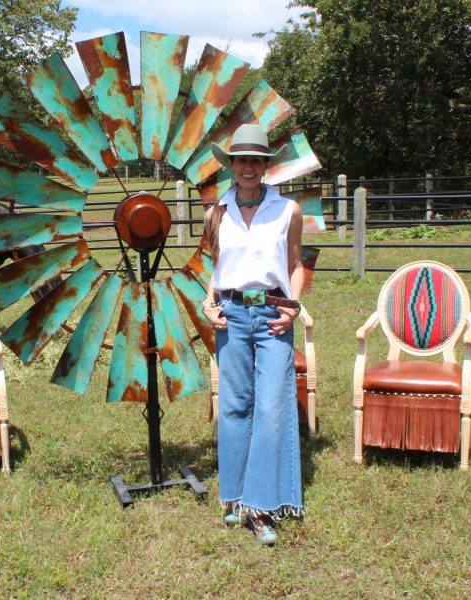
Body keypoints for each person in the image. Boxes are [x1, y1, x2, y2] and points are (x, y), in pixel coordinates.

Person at [202, 124, 305, 545]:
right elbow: (217, 268)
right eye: (241, 160)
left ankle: (260, 507)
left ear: (266, 166)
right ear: (231, 165)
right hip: (230, 314)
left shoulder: (287, 210)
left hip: (272, 313)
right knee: (234, 406)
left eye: (256, 161)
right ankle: (235, 495)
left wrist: (293, 308)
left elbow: (295, 265)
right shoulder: (216, 212)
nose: (248, 167)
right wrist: (208, 303)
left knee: (272, 405)